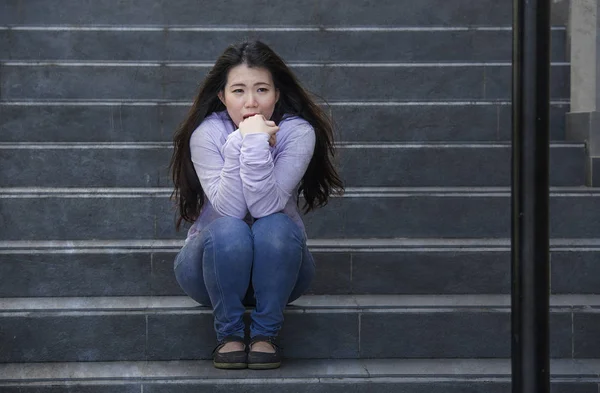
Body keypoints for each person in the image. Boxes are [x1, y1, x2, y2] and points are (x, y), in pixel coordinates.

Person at [169, 40, 343, 370]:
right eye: (238, 91)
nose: (251, 102)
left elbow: (265, 207)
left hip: (282, 271)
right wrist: (244, 140)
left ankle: (265, 335)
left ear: (277, 94)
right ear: (222, 96)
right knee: (230, 229)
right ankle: (230, 335)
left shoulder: (297, 133)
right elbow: (230, 211)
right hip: (208, 271)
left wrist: (253, 142)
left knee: (275, 224)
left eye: (262, 89)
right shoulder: (206, 135)